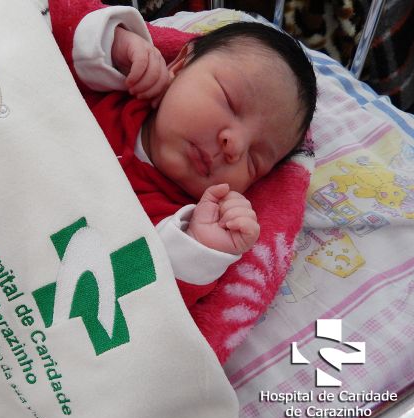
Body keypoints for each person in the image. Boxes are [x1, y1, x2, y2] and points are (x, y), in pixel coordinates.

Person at [50, 1, 317, 307]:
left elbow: (141, 304)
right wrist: (114, 43)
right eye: (229, 101)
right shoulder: (105, 85)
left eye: (254, 159)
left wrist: (200, 249)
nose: (234, 145)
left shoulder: (175, 225)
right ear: (178, 66)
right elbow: (38, 28)